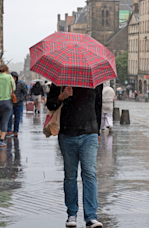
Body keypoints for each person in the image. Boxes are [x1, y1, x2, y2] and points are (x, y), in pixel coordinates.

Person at [47, 83, 103, 228]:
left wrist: (97, 131)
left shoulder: (95, 81)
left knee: (89, 173)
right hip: (67, 133)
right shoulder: (60, 80)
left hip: (89, 133)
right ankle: (72, 214)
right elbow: (50, 104)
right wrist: (62, 96)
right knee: (70, 175)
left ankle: (91, 216)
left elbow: (98, 105)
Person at [0, 65, 15, 147]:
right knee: (5, 121)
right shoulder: (9, 77)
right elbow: (14, 88)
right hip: (7, 100)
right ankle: (2, 140)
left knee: (0, 119)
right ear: (7, 70)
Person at [7, 72, 27, 137]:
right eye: (12, 77)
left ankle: (16, 131)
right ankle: (9, 130)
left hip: (18, 104)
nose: (13, 78)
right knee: (9, 117)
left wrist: (20, 99)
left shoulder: (20, 84)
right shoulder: (8, 84)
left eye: (14, 77)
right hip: (10, 103)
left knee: (17, 118)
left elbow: (25, 93)